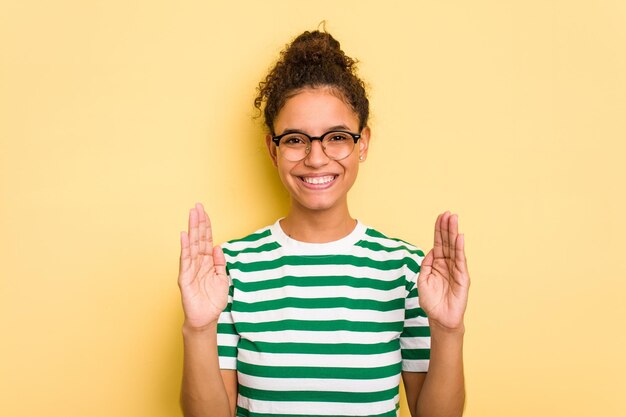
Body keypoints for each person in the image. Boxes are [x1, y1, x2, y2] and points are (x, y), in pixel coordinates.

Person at [178, 29, 470, 417]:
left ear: (362, 143)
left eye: (336, 137)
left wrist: (449, 332)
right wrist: (198, 329)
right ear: (273, 149)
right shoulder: (227, 268)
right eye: (296, 139)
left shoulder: (410, 271)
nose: (316, 158)